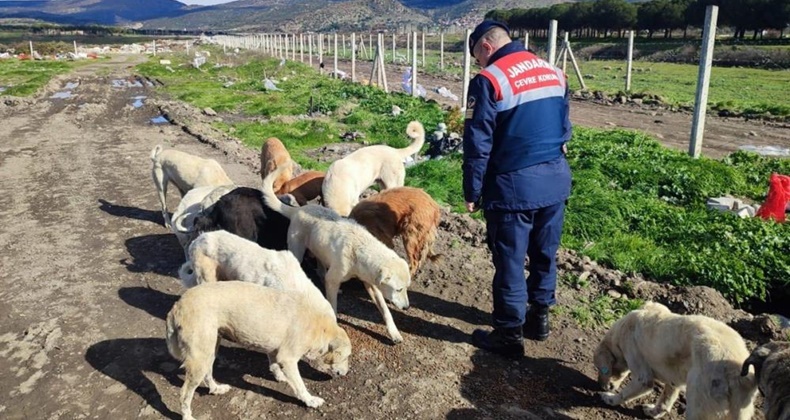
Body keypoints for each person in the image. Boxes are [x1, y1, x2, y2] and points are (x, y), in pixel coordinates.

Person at [462, 20, 572, 358]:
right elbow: (565, 127)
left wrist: (473, 190)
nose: (481, 64)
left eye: (478, 57)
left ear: (486, 47)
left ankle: (509, 335)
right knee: (543, 252)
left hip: (512, 187)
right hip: (555, 180)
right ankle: (538, 320)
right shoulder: (554, 73)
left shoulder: (489, 80)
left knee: (509, 260)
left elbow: (478, 142)